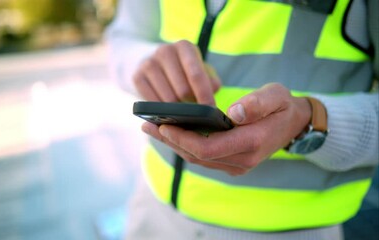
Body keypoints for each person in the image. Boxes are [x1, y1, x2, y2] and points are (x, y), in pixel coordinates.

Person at [106, 0, 379, 239]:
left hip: (293, 230)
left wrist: (307, 121)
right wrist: (144, 62)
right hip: (152, 213)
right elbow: (123, 37)